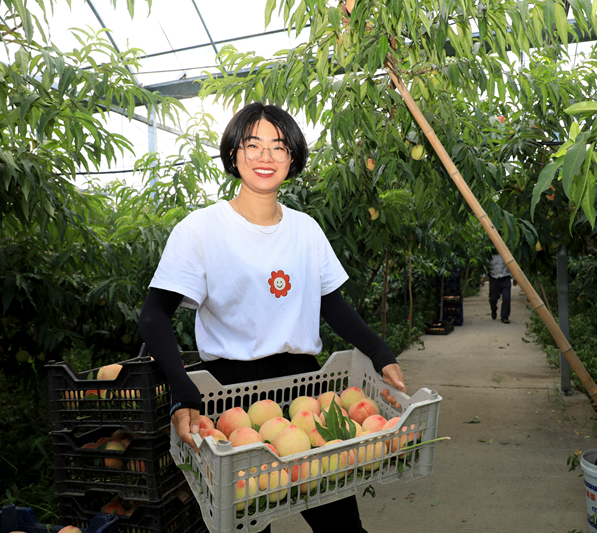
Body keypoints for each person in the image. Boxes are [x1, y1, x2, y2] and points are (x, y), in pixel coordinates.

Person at [138, 102, 406, 533]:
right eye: (253, 144)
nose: (266, 156)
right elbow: (154, 315)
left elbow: (331, 305)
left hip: (304, 390)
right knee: (246, 523)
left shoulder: (305, 230)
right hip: (229, 394)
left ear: (293, 159)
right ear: (233, 155)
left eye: (278, 147)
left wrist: (379, 351)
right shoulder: (201, 229)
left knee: (339, 520)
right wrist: (184, 391)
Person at [482, 253, 517, 323]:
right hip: (494, 278)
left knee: (506, 298)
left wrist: (514, 278)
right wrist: (483, 277)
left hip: (505, 278)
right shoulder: (490, 254)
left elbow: (512, 265)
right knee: (493, 299)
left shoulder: (506, 252)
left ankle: (504, 317)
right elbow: (486, 266)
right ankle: (493, 309)